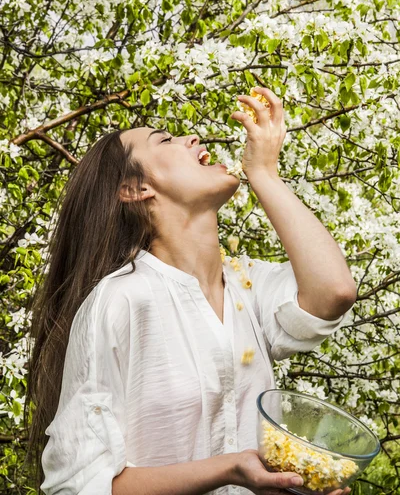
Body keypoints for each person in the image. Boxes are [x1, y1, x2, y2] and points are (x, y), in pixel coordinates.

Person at [23, 87, 356, 495]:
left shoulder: (246, 286)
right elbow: (79, 486)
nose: (192, 138)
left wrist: (265, 174)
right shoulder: (121, 301)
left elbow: (334, 292)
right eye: (164, 140)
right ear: (135, 188)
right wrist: (230, 469)